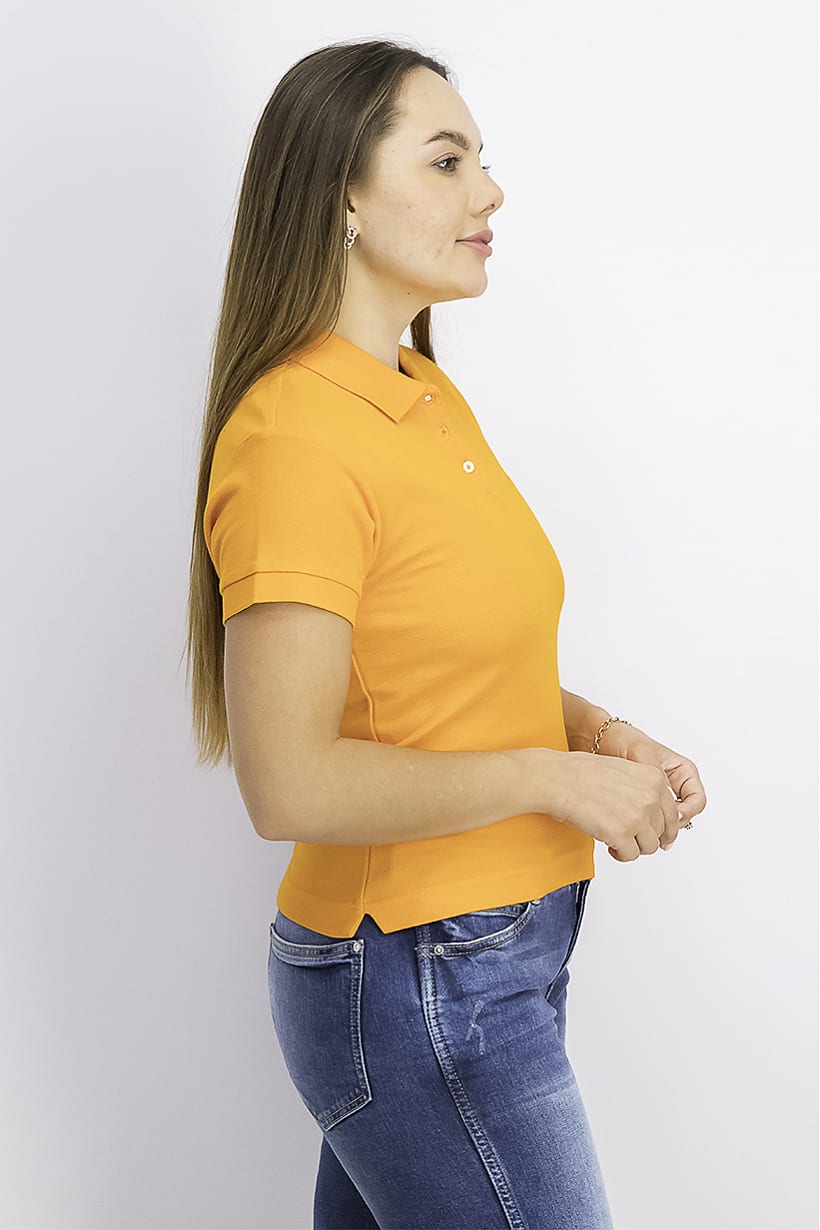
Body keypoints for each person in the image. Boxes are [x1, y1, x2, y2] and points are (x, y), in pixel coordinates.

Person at [184, 36, 707, 1230]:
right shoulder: (296, 437)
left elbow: (446, 668)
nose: (490, 191)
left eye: (481, 158)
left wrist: (599, 737)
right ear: (343, 196)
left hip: (486, 960)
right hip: (419, 974)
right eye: (446, 159)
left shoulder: (423, 394)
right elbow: (289, 782)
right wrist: (553, 781)